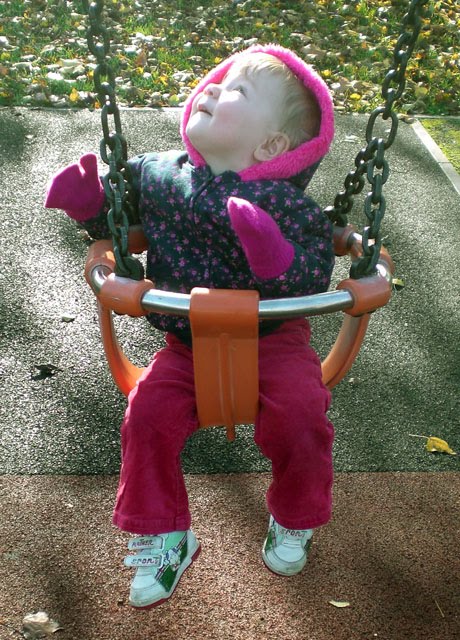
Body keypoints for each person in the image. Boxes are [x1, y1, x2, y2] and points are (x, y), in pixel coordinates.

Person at [45, 44, 336, 609]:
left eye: (237, 91)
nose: (213, 88)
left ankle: (294, 515)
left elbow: (313, 270)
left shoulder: (286, 204)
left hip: (274, 340)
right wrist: (89, 204)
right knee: (146, 418)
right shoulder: (158, 174)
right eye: (216, 80)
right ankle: (164, 535)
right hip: (185, 344)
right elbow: (118, 214)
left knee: (302, 414)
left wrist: (275, 256)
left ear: (270, 146)